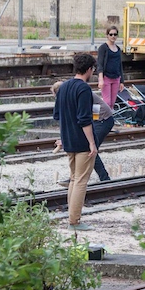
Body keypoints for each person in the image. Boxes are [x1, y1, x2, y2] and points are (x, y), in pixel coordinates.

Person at [53, 53, 99, 231]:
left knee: (73, 178)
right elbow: (84, 119)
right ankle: (74, 221)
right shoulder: (84, 89)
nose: (93, 72)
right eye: (93, 69)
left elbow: (57, 115)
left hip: (68, 140)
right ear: (88, 69)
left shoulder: (63, 87)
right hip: (81, 141)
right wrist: (92, 143)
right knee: (81, 180)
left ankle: (72, 217)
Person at [96, 26, 124, 109]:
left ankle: (110, 118)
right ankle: (105, 119)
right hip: (106, 78)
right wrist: (101, 79)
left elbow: (120, 65)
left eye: (115, 34)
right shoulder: (103, 48)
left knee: (112, 102)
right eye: (111, 34)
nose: (113, 36)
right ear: (107, 35)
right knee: (107, 102)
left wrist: (122, 81)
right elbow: (100, 64)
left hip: (116, 78)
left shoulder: (118, 49)